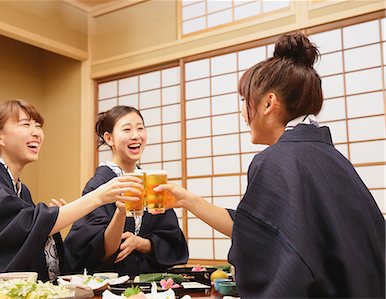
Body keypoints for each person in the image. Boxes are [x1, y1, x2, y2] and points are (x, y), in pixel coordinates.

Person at [155, 33, 385, 297]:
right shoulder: (330, 158)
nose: (242, 112)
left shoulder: (275, 161)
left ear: (268, 103)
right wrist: (186, 199)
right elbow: (260, 230)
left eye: (244, 100)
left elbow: (271, 258)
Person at [0, 100, 142, 293]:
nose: (36, 133)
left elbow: (25, 231)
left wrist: (57, 222)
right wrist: (99, 196)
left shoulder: (20, 189)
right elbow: (28, 226)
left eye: (38, 126)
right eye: (26, 125)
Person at [64, 106, 188, 276]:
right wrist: (120, 214)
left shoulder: (151, 182)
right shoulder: (99, 185)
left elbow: (172, 240)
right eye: (127, 129)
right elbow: (93, 248)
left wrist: (141, 243)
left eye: (140, 128)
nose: (136, 135)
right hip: (113, 285)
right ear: (109, 138)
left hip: (150, 283)